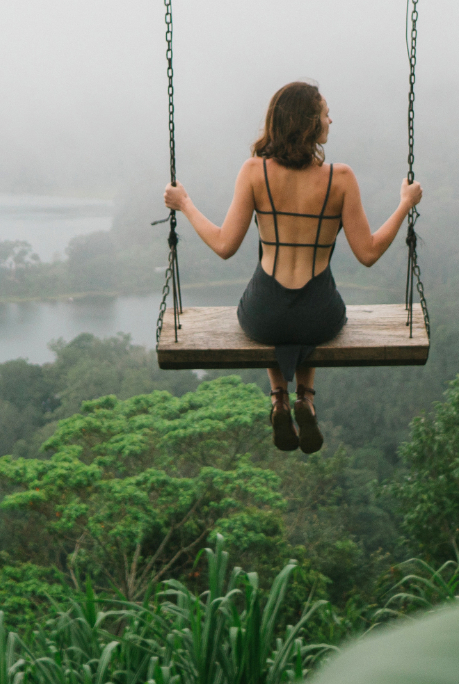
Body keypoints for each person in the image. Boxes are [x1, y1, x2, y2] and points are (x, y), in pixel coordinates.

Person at [164, 81, 423, 453]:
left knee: (269, 310)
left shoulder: (254, 172)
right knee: (312, 309)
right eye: (325, 113)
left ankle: (278, 399)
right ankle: (306, 396)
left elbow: (224, 246)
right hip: (319, 315)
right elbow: (368, 253)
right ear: (308, 123)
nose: (331, 119)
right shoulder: (342, 178)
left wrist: (185, 203)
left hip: (264, 314)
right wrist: (404, 204)